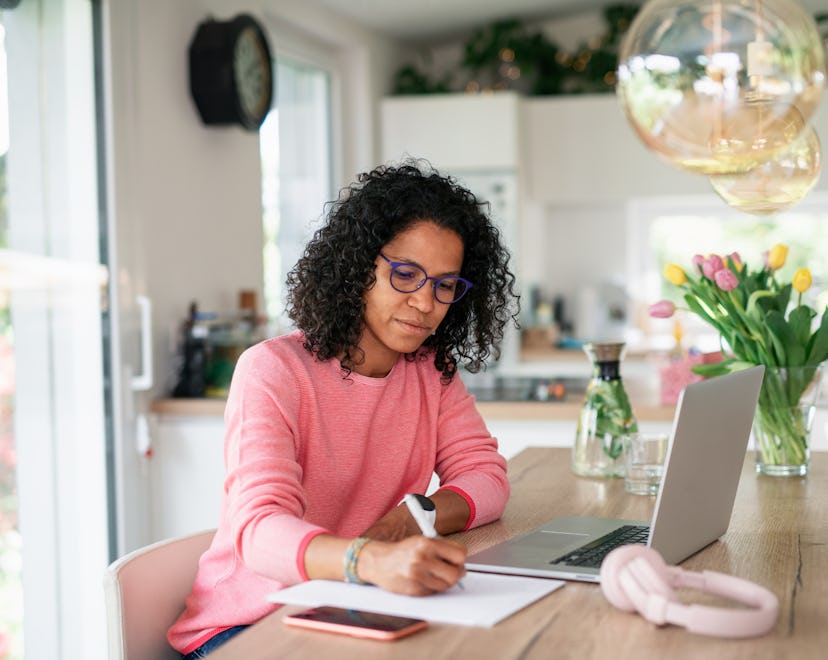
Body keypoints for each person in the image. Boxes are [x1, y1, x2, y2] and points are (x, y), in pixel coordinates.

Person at [168, 160, 520, 657]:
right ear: (358, 269)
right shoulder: (273, 370)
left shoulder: (430, 371)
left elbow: (487, 479)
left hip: (349, 602)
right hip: (247, 626)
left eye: (445, 284)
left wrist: (413, 516)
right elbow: (260, 531)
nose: (426, 303)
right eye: (405, 275)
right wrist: (371, 560)